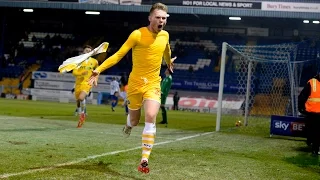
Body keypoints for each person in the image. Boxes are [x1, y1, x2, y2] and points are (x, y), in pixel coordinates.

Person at [88, 2, 176, 173]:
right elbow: (119, 55)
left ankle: (144, 159)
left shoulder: (165, 35)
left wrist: (168, 62)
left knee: (151, 115)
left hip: (153, 83)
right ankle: (128, 124)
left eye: (164, 18)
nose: (161, 21)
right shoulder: (137, 34)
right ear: (150, 18)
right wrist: (98, 69)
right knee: (134, 120)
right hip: (135, 84)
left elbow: (166, 50)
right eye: (158, 17)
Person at [72, 45, 98, 128]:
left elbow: (97, 71)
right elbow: (74, 72)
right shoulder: (78, 61)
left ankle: (82, 113)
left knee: (81, 98)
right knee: (78, 101)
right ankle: (81, 115)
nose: (88, 52)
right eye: (86, 50)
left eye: (89, 51)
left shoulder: (95, 61)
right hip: (78, 83)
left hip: (87, 83)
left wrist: (95, 80)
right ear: (83, 51)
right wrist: (81, 73)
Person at [298, 74, 320, 156]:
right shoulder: (312, 83)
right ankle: (312, 143)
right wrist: (301, 107)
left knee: (317, 132)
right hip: (311, 113)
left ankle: (315, 149)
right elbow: (302, 96)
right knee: (312, 131)